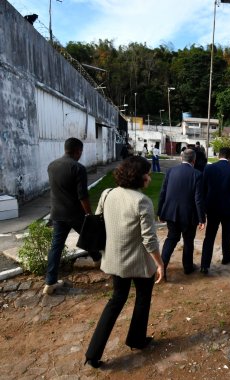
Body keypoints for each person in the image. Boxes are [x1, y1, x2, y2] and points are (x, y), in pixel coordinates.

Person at [85, 156, 163, 368]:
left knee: (116, 299)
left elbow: (99, 222)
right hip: (138, 262)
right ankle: (136, 339)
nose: (150, 176)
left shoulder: (107, 193)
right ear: (139, 176)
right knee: (143, 296)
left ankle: (93, 353)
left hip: (114, 259)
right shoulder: (141, 201)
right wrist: (160, 263)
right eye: (147, 172)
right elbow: (149, 238)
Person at [43, 138, 101, 295]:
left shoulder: (52, 166)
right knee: (89, 236)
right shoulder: (78, 168)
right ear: (78, 151)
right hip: (75, 213)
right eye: (80, 152)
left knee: (56, 247)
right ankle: (97, 260)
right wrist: (89, 213)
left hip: (57, 213)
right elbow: (82, 195)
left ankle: (50, 282)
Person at [157, 149, 206, 280]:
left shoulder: (171, 171)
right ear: (194, 160)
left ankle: (162, 267)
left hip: (171, 213)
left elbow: (163, 192)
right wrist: (202, 218)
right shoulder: (197, 174)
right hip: (189, 215)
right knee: (188, 241)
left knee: (171, 239)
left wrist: (160, 211)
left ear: (181, 158)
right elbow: (198, 199)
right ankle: (188, 267)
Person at [200, 147, 230, 274]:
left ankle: (204, 265)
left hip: (212, 207)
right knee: (227, 233)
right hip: (228, 207)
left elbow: (203, 189)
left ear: (219, 155)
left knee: (209, 236)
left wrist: (202, 208)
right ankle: (226, 257)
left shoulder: (209, 168)